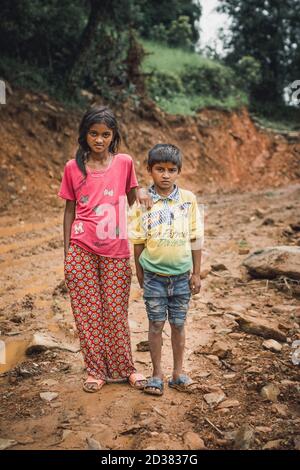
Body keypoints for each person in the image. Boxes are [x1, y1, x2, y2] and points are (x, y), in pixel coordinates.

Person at [58, 105, 149, 392]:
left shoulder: (124, 163)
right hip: (82, 247)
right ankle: (95, 370)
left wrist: (147, 206)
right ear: (84, 135)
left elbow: (135, 199)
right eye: (93, 134)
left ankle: (126, 369)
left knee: (115, 312)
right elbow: (69, 211)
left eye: (105, 134)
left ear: (113, 136)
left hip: (116, 248)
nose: (99, 140)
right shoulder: (73, 167)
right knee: (87, 314)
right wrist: (67, 251)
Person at [130, 144, 204, 396]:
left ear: (179, 172)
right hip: (154, 277)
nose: (165, 175)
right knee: (155, 324)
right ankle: (156, 374)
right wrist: (139, 272)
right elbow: (138, 241)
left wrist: (196, 272)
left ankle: (178, 373)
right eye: (159, 169)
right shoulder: (144, 201)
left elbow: (196, 237)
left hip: (182, 276)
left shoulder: (188, 200)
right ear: (149, 170)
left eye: (171, 170)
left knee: (179, 324)